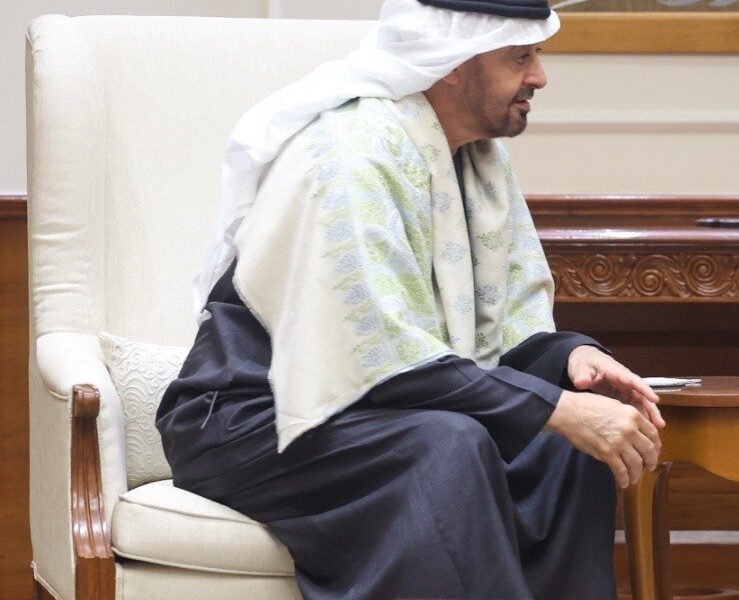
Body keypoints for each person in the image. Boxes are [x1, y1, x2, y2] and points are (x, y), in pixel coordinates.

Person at [157, 1, 661, 597]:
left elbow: (478, 348)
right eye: (519, 57)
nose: (539, 77)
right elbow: (386, 361)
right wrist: (554, 409)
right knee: (451, 443)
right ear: (452, 62)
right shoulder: (351, 156)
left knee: (564, 445)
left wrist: (568, 359)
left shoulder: (475, 159)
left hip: (376, 409)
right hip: (252, 418)